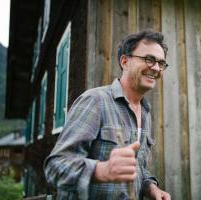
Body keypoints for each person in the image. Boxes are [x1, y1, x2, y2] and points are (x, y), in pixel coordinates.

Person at [44, 30, 171, 200]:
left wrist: (150, 187)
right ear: (125, 61)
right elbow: (55, 167)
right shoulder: (96, 101)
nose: (156, 68)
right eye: (149, 59)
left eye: (161, 63)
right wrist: (102, 170)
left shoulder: (146, 113)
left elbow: (136, 167)